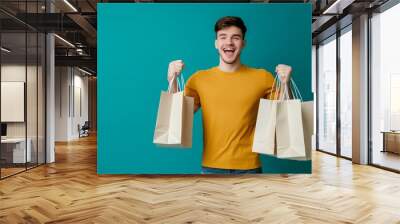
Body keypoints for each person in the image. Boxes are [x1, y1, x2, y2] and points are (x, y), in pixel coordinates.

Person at [167, 16, 292, 174]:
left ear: (243, 44)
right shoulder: (199, 79)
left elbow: (284, 117)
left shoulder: (263, 77)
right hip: (211, 167)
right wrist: (172, 81)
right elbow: (178, 116)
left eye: (236, 37)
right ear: (216, 43)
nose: (229, 43)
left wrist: (285, 83)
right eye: (223, 37)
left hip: (250, 168)